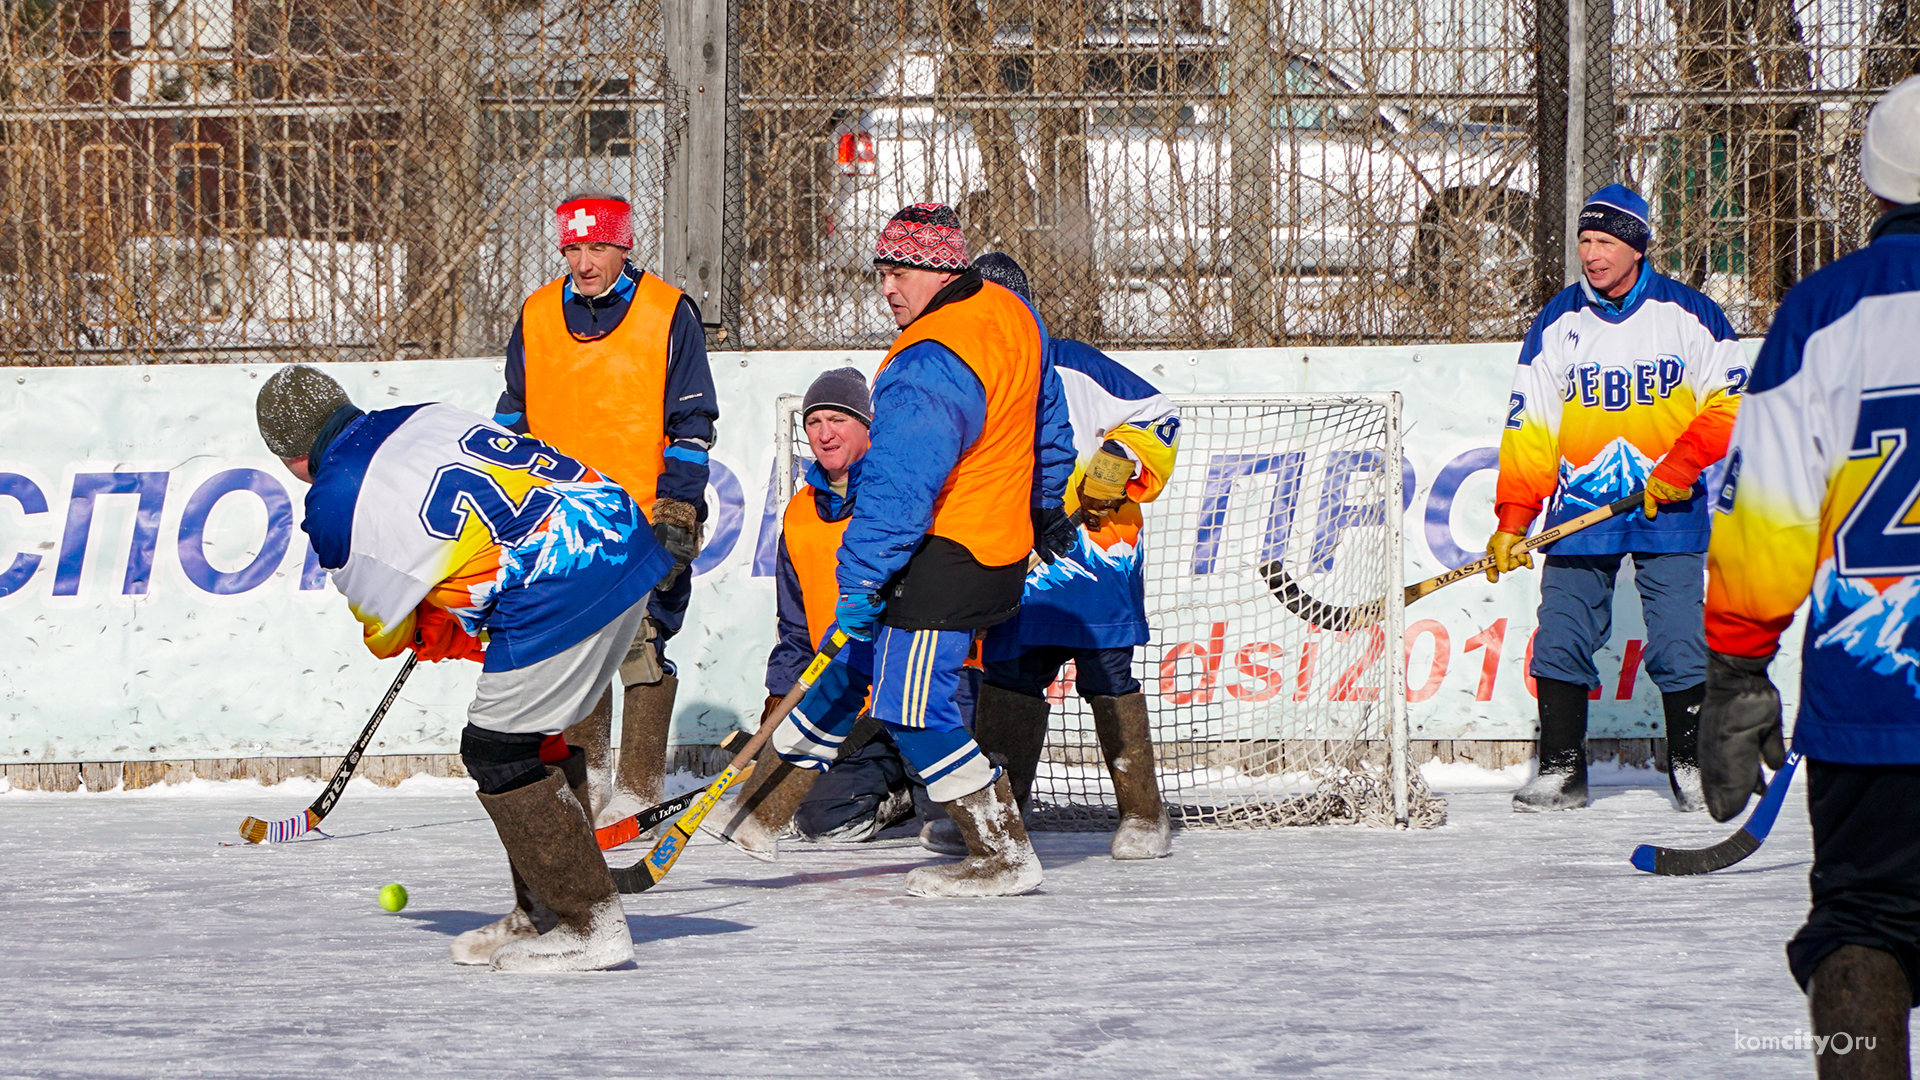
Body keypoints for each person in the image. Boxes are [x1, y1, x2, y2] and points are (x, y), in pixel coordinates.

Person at [255, 364, 674, 972]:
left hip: (561, 580)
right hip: (624, 534)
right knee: (532, 739)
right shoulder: (421, 415)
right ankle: (544, 909)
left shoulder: (329, 504)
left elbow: (388, 626)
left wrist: (433, 629)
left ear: (292, 457)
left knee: (498, 750)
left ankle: (588, 923)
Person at [1700, 76, 1920, 1078]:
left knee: (1862, 928)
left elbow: (1768, 513)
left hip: (1871, 696)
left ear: (1875, 189)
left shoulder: (1823, 314)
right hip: (1869, 704)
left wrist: (1739, 670)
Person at [759, 202, 1074, 897]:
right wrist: (1048, 501)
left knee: (910, 706)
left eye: (900, 272)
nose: (888, 289)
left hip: (952, 550)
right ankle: (768, 804)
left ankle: (1001, 850)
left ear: (939, 269)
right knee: (864, 668)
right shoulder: (1009, 313)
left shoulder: (928, 360)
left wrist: (861, 581)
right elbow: (1046, 412)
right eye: (882, 273)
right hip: (996, 545)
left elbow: (899, 489)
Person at [1485, 183, 1747, 812]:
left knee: (1682, 637)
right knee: (1562, 636)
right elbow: (1531, 428)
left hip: (1670, 503)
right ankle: (1562, 768)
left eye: (1605, 240)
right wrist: (1514, 519)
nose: (1592, 253)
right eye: (1584, 240)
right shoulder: (1557, 321)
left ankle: (1689, 763)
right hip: (1582, 505)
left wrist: (1682, 463)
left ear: (1637, 246)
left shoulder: (1692, 315)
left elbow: (1734, 401)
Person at [938, 251, 1180, 861]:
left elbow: (1158, 413)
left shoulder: (1073, 361)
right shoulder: (966, 366)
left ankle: (1143, 814)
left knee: (1107, 674)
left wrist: (1121, 462)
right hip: (1015, 557)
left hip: (1096, 556)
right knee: (1008, 679)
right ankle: (998, 819)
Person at [492, 191, 720, 828]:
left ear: (624, 247)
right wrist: (498, 491)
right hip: (559, 514)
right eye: (573, 248)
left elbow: (692, 419)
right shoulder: (538, 313)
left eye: (598, 247)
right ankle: (586, 784)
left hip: (643, 513)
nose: (585, 261)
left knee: (640, 645)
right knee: (576, 647)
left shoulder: (669, 311)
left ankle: (640, 788)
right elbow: (514, 414)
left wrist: (679, 507)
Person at [701, 368, 952, 856]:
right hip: (846, 698)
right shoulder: (798, 512)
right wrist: (780, 694)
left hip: (917, 688)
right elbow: (795, 624)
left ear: (867, 427)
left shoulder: (898, 497)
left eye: (838, 419)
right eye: (814, 421)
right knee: (818, 819)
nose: (823, 433)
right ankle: (893, 792)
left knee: (947, 823)